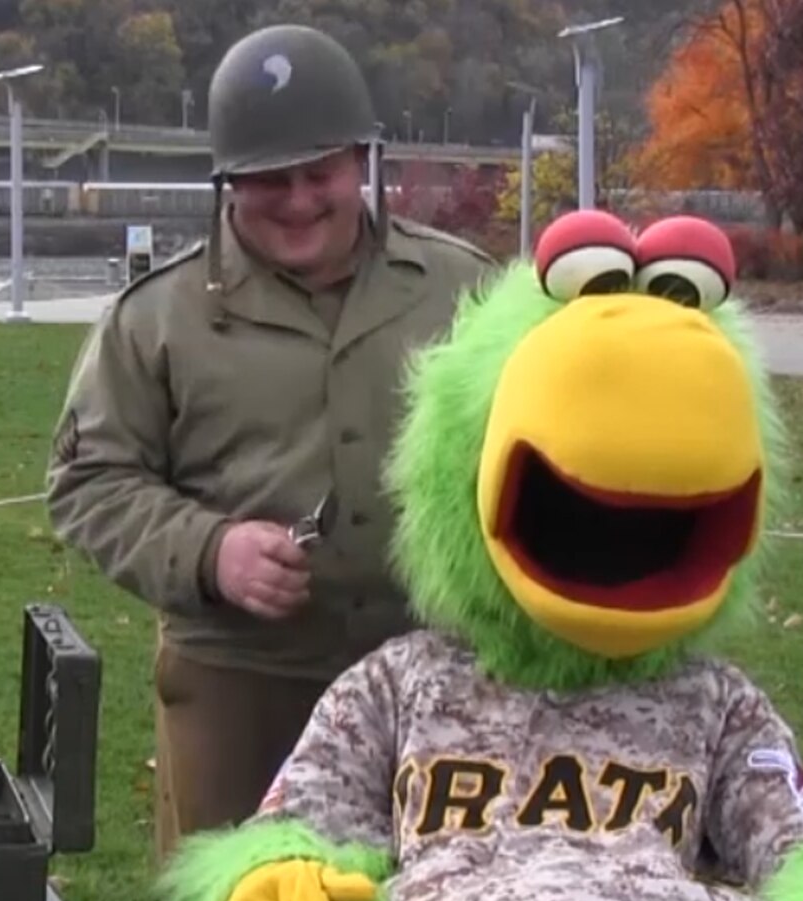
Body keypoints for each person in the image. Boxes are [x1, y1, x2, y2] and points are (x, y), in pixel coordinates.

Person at [45, 23, 496, 858]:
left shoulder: (467, 292)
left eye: (318, 173)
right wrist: (211, 551)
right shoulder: (155, 319)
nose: (297, 201)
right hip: (240, 685)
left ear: (362, 163)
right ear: (226, 184)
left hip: (440, 673)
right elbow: (89, 481)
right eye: (267, 180)